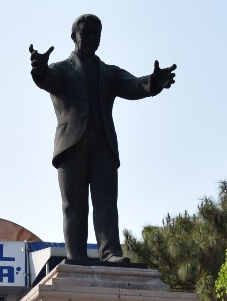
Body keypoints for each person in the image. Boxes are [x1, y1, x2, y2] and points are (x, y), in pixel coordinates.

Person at [29, 14, 176, 263]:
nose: (91, 38)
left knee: (106, 203)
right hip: (71, 146)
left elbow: (134, 85)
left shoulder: (109, 73)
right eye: (86, 33)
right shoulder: (62, 70)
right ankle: (76, 255)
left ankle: (110, 252)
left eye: (96, 34)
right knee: (73, 205)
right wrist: (40, 68)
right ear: (73, 36)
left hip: (103, 145)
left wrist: (153, 83)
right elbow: (46, 79)